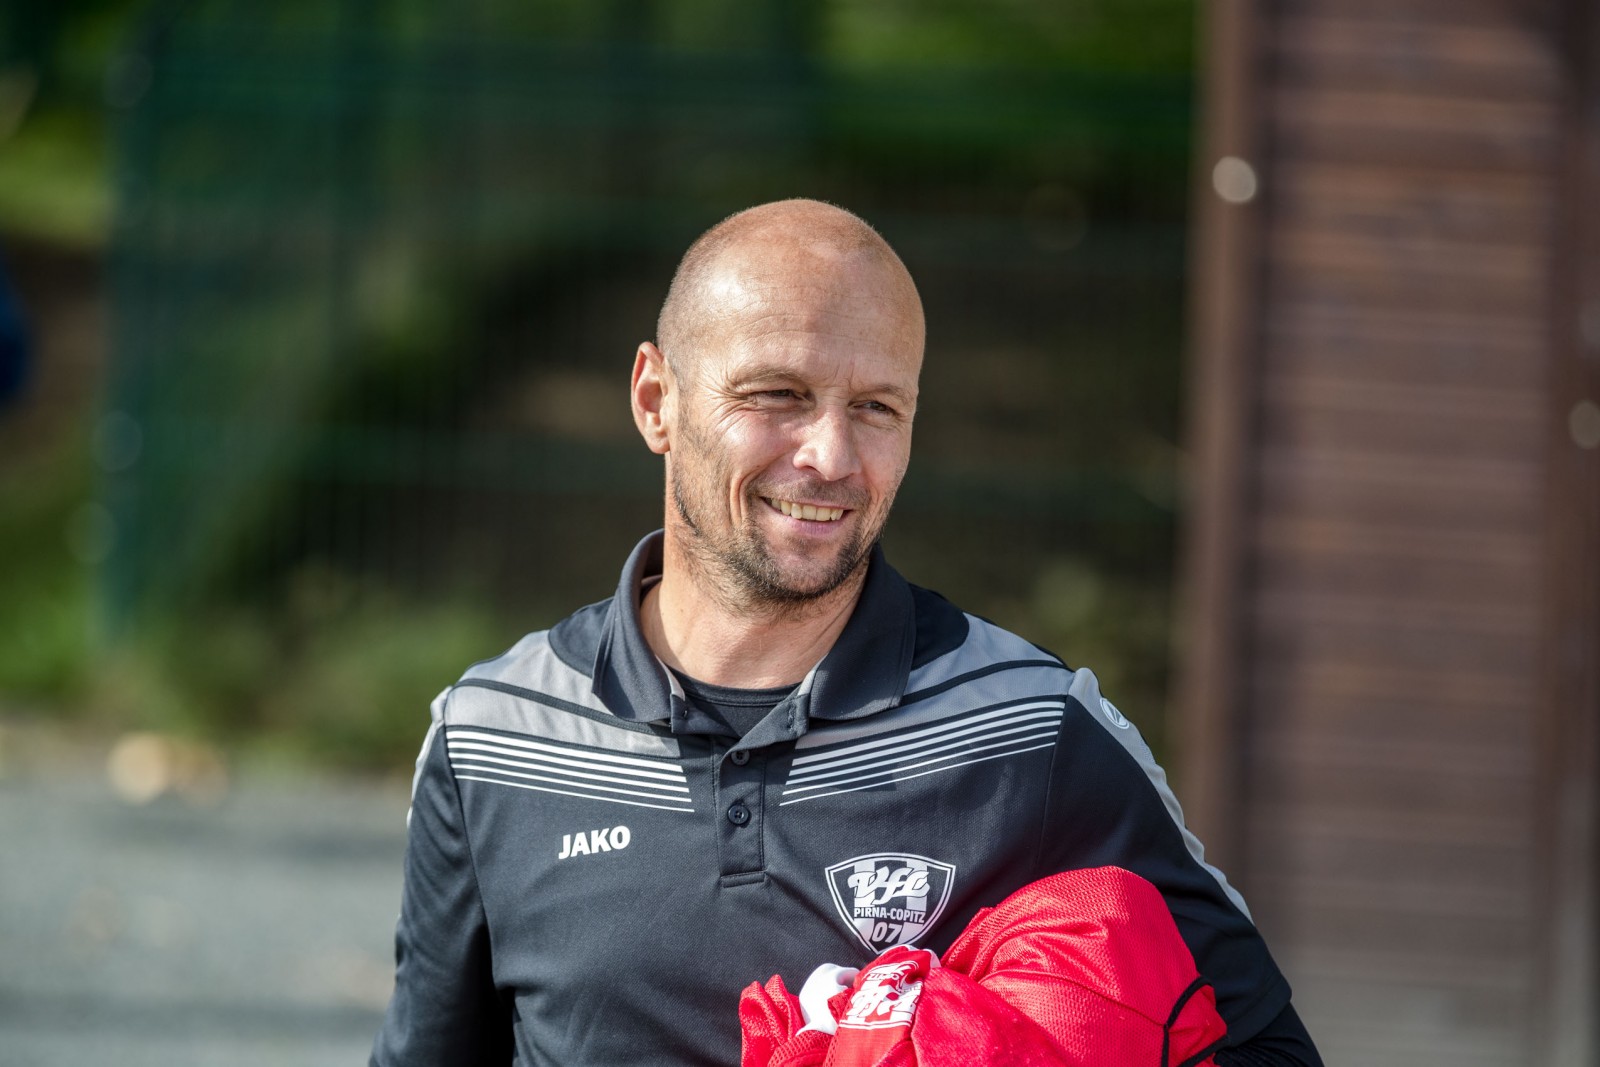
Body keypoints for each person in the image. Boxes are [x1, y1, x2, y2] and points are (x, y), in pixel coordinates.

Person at [369, 199, 1320, 1066]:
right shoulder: (491, 739)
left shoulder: (1036, 732)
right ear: (656, 401)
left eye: (875, 408)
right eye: (776, 393)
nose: (830, 456)